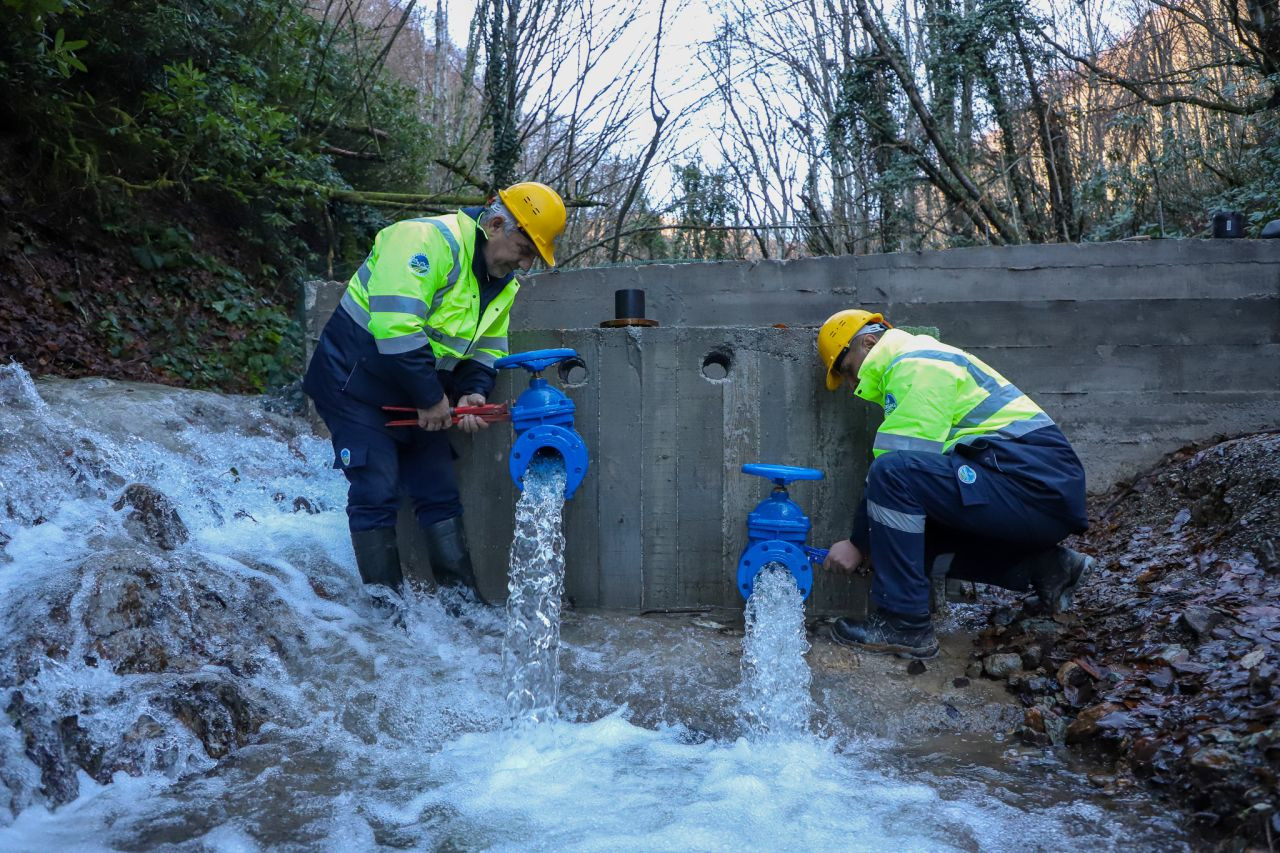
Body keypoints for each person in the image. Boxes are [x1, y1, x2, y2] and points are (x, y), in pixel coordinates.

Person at [303, 182, 567, 605]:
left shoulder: (504, 283)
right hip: (353, 383)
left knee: (438, 487)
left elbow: (487, 347)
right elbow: (397, 328)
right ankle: (385, 616)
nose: (528, 262)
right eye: (526, 248)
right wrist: (430, 399)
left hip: (417, 387)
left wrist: (473, 394)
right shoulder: (424, 240)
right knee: (376, 487)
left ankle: (463, 609)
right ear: (497, 224)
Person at [816, 310, 1094, 659]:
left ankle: (904, 624)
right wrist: (874, 544)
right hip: (1027, 489)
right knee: (907, 546)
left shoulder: (917, 364)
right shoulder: (916, 362)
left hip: (1033, 485)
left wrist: (858, 542)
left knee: (892, 472)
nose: (850, 383)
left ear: (868, 342)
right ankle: (1048, 568)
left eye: (845, 369)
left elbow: (895, 467)